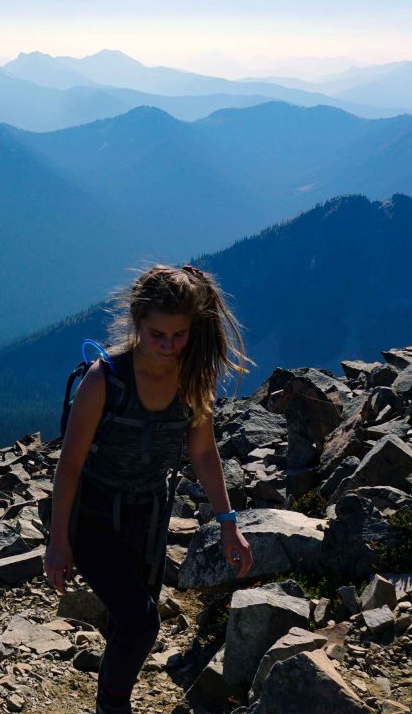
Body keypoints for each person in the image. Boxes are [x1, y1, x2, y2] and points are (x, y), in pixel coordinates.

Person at [43, 263, 254, 714]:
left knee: (132, 621)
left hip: (148, 519)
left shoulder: (194, 378)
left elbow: (202, 454)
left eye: (179, 336)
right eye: (158, 334)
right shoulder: (105, 380)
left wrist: (228, 524)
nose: (168, 345)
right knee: (141, 624)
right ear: (138, 322)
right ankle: (113, 706)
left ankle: (112, 693)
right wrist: (57, 541)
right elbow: (70, 465)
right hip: (93, 518)